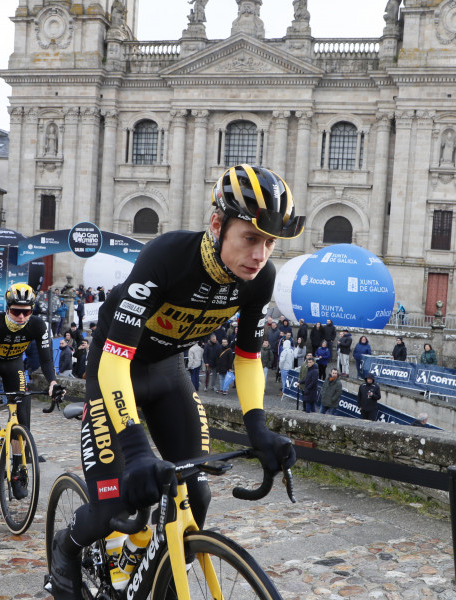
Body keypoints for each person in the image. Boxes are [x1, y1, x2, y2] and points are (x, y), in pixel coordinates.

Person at [48, 164, 303, 599]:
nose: (260, 255)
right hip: (115, 369)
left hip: (168, 373)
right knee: (114, 505)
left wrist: (258, 428)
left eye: (269, 242)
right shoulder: (166, 256)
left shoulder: (260, 279)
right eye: (250, 238)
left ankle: (162, 578)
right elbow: (113, 359)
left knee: (195, 497)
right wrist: (133, 445)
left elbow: (246, 358)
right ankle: (64, 551)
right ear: (217, 224)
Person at [0, 283, 60, 481]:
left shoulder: (38, 325)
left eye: (26, 312)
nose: (21, 317)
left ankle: (19, 466)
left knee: (22, 416)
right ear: (7, 308)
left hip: (14, 364)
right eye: (16, 311)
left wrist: (52, 382)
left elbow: (46, 360)